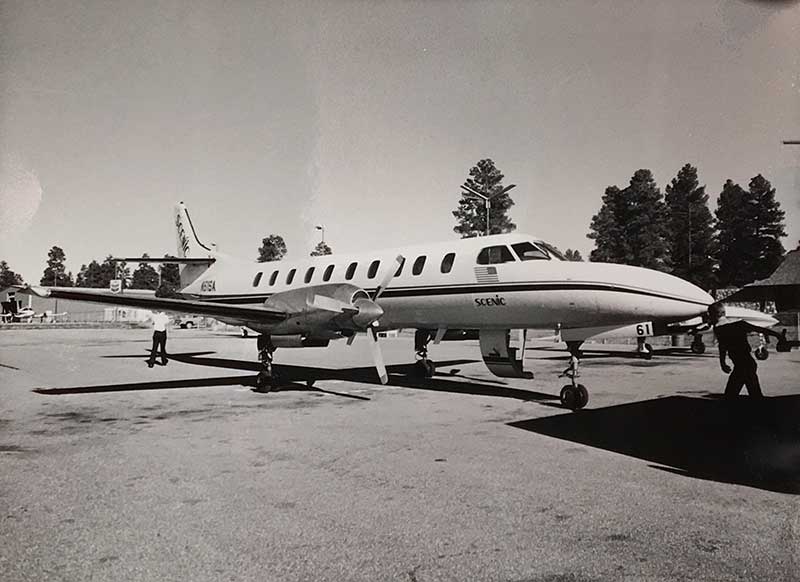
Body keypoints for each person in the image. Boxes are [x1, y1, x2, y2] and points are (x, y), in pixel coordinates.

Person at [708, 303, 786, 399]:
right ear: (724, 312)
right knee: (753, 395)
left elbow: (722, 347)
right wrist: (777, 335)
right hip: (748, 363)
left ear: (712, 315)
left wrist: (722, 363)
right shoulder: (739, 323)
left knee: (731, 396)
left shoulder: (718, 328)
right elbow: (760, 329)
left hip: (741, 365)